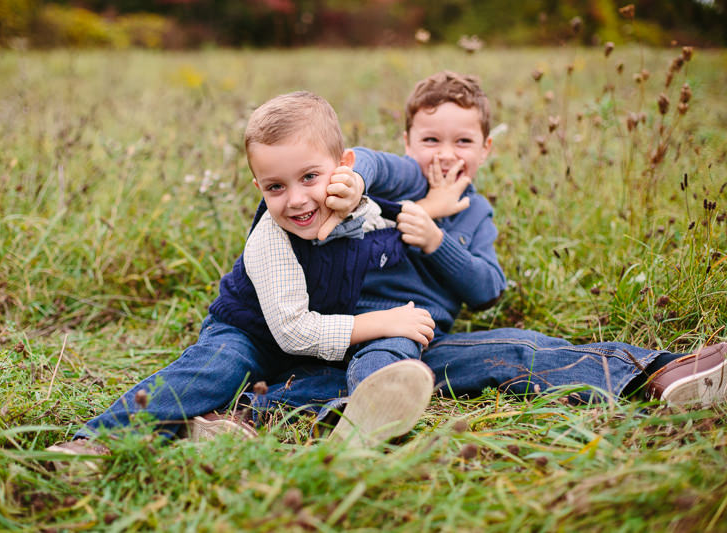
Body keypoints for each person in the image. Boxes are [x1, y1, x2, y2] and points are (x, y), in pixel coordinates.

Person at [245, 70, 727, 423]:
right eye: (430, 139)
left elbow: (487, 290)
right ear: (407, 142)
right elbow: (365, 161)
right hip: (350, 325)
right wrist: (354, 183)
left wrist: (438, 243)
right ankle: (310, 404)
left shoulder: (477, 214)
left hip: (421, 341)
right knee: (372, 364)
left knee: (518, 350)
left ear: (485, 149)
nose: (446, 153)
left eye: (463, 140)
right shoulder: (396, 186)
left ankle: (659, 374)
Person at [47, 89, 468, 460]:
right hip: (249, 332)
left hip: (306, 347)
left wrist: (436, 207)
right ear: (259, 187)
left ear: (343, 167)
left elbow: (391, 235)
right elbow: (294, 332)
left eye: (309, 177)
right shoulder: (271, 238)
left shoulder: (360, 211)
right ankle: (96, 442)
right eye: (275, 187)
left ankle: (226, 419)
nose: (297, 200)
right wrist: (379, 321)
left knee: (336, 378)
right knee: (216, 370)